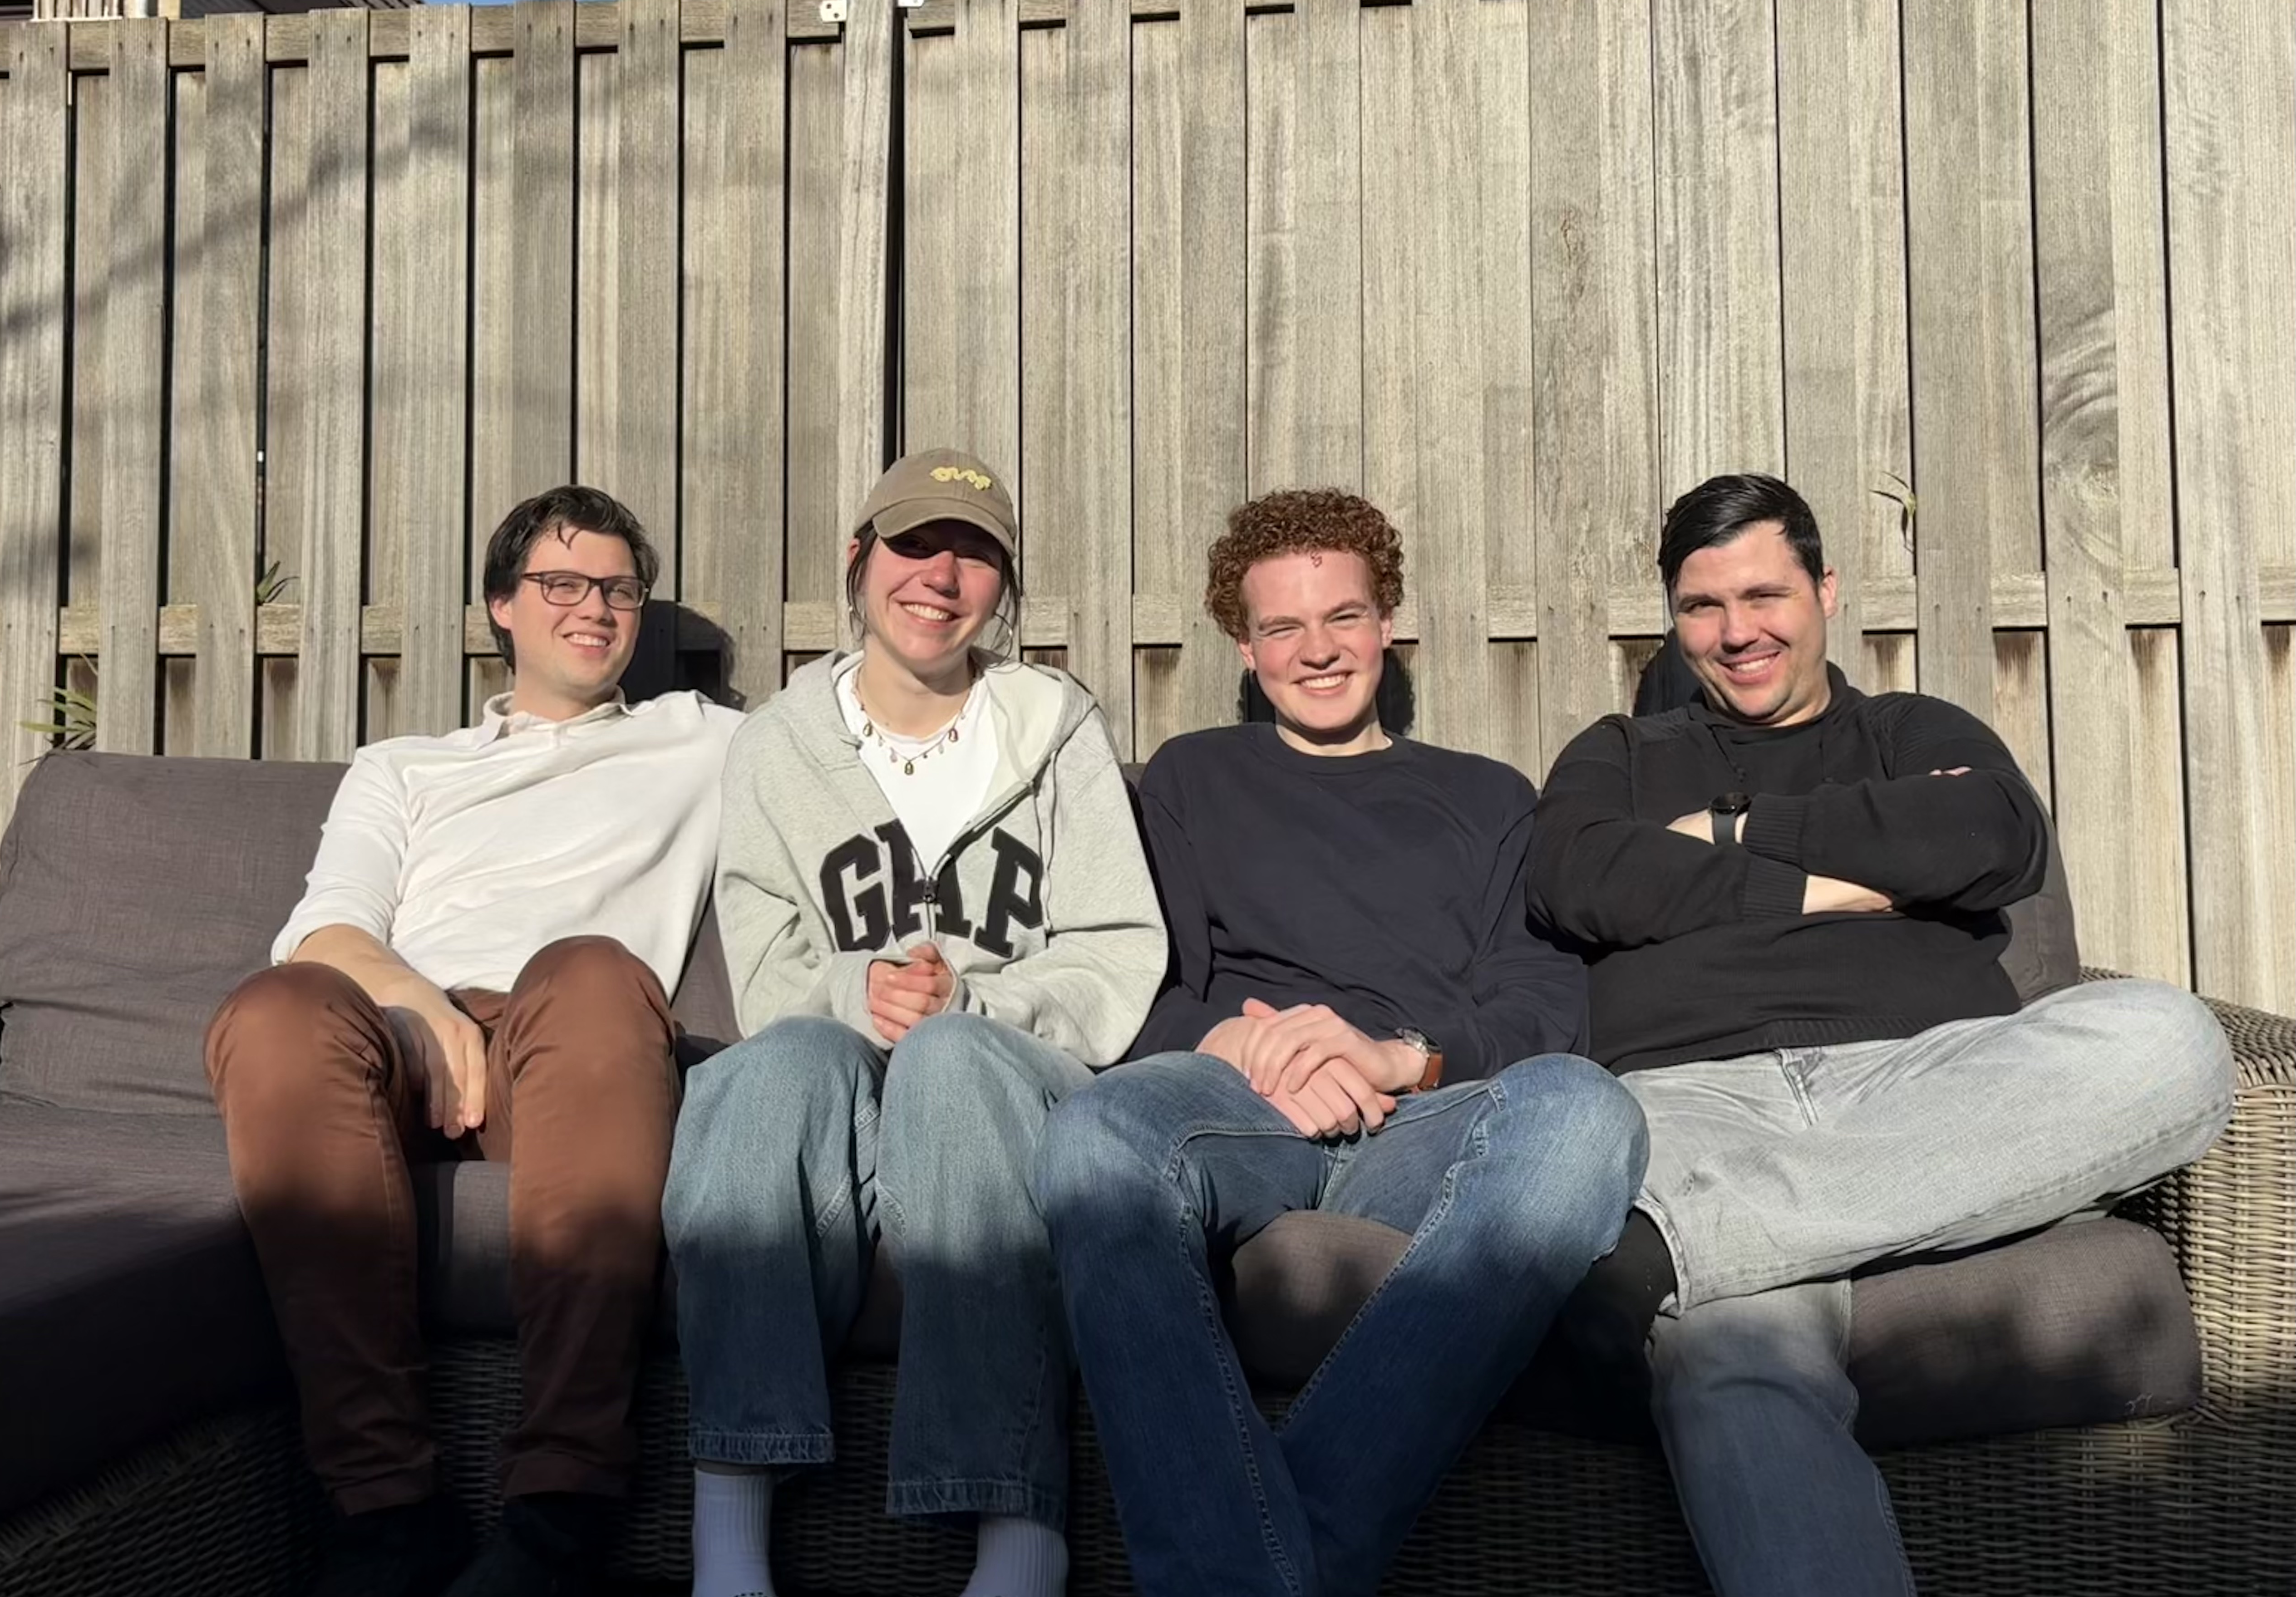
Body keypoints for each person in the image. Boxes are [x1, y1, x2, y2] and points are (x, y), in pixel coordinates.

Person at [1528, 472, 2236, 1597]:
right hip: (1697, 1104)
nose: (1737, 631)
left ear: (1826, 590)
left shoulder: (1912, 729)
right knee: (1732, 1356)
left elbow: (1991, 835)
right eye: (1703, 606)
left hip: (1926, 1082)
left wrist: (1731, 833)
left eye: (1765, 595)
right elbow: (1580, 875)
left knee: (2171, 1041)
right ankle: (1731, 1244)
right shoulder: (1618, 749)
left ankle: (1681, 1249)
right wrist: (1841, 881)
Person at [1031, 488, 1648, 1597]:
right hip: (1241, 1107)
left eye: (1344, 617)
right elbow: (1137, 985)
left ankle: (1258, 1569)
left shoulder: (1488, 797)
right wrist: (1254, 1045)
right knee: (1093, 1135)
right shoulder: (1191, 777)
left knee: (1587, 1112)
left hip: (1420, 1120)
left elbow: (1544, 1005)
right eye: (1284, 627)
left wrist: (1394, 1056)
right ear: (1246, 646)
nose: (1317, 651)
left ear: (1387, 623)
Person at [206, 486, 740, 1597]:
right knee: (274, 1008)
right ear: (502, 603)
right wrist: (426, 1007)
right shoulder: (404, 766)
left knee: (591, 969)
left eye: (619, 589)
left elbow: (872, 729)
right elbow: (327, 926)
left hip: (572, 1047)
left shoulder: (705, 741)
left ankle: (563, 1507)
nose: (594, 607)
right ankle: (385, 1511)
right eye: (563, 582)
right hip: (399, 1039)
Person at [662, 448, 1166, 1597]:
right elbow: (767, 964)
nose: (941, 575)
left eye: (975, 554)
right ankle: (728, 1544)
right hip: (838, 1071)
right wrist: (859, 990)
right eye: (915, 544)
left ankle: (1017, 1540)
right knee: (761, 1075)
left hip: (1006, 1073)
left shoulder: (1055, 729)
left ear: (1003, 589)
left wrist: (979, 1003)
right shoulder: (778, 743)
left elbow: (1118, 948)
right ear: (859, 560)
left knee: (950, 1059)